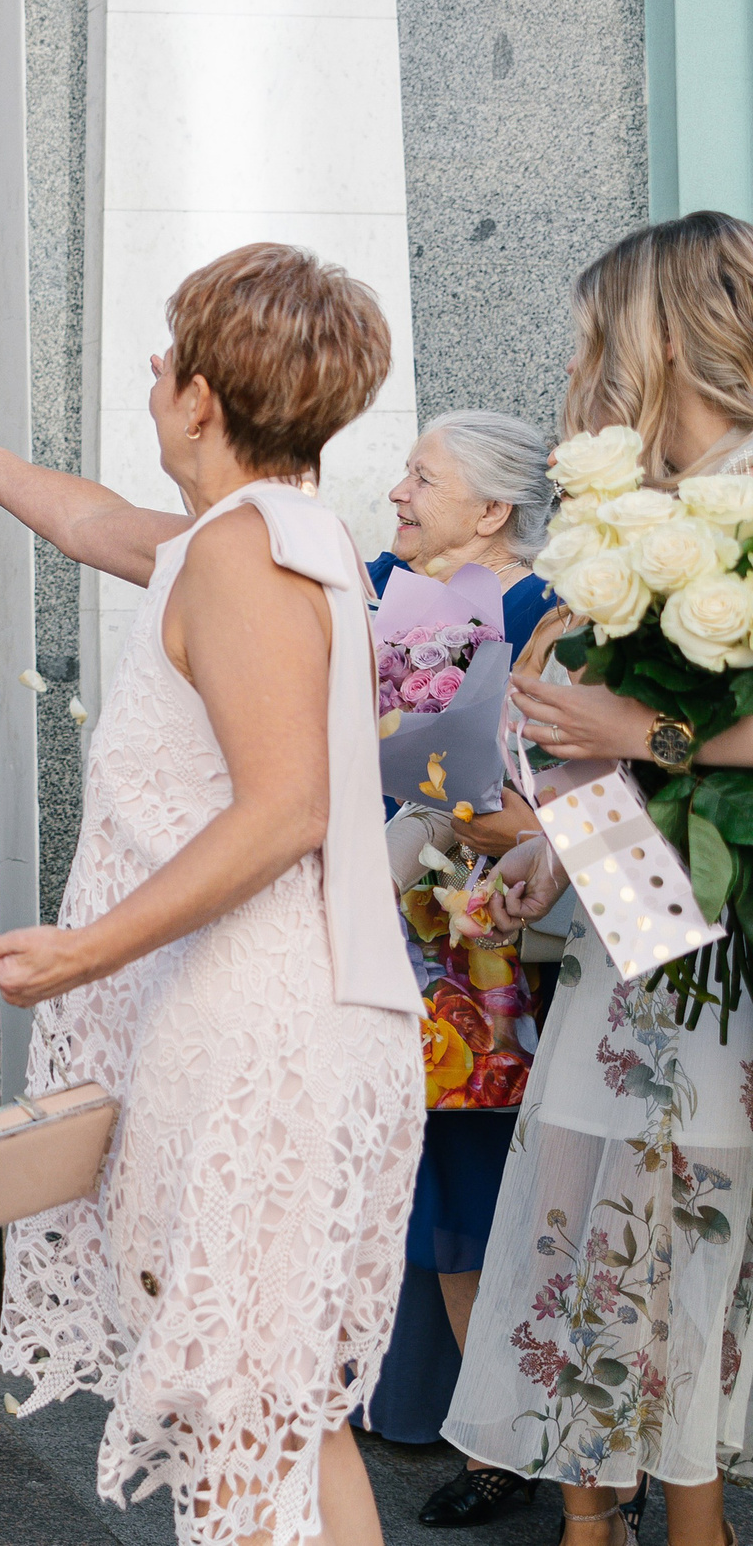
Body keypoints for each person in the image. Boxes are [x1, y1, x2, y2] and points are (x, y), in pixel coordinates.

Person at [0, 243, 424, 1546]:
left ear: (201, 396)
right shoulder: (261, 533)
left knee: (236, 1416)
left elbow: (285, 808)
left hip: (265, 1023)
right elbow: (93, 523)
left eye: (163, 355)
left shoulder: (246, 555)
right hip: (280, 1008)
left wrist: (84, 951)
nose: (149, 374)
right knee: (281, 1414)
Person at [446, 210, 753, 1546]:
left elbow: (669, 741)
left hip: (717, 946)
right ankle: (604, 1514)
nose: (582, 362)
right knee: (596, 1226)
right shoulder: (650, 518)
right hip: (642, 931)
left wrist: (638, 733)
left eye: (595, 336)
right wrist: (542, 847)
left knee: (686, 1229)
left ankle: (680, 1519)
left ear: (660, 339)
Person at [354, 410, 560, 1519]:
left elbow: (538, 798)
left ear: (491, 511)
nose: (396, 492)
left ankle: (514, 1445)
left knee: (485, 1184)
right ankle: (475, 1428)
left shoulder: (543, 619)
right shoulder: (409, 597)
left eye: (420, 477)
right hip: (411, 927)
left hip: (493, 945)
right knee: (433, 1181)